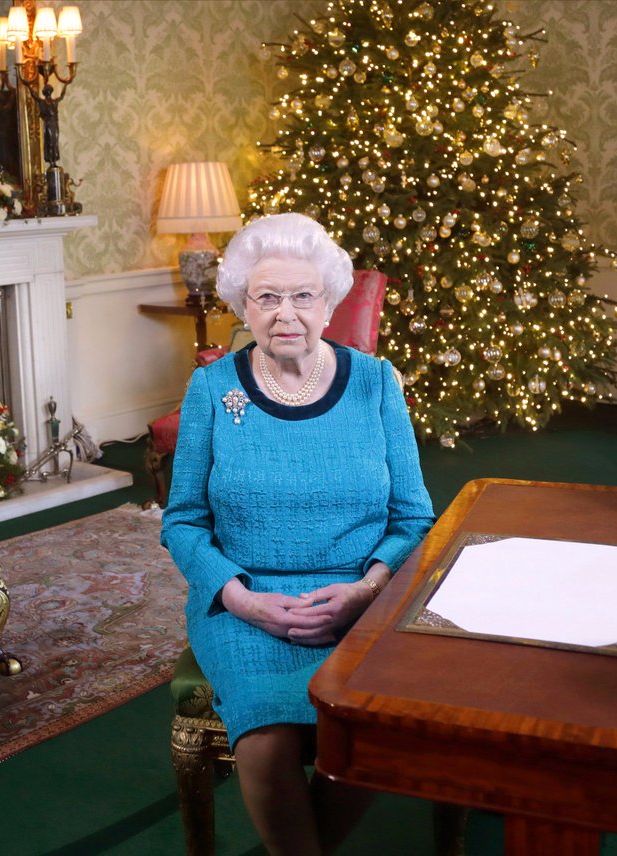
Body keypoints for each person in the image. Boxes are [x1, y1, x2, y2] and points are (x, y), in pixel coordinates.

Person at [161, 213, 435, 854]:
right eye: (267, 297)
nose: (286, 314)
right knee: (266, 737)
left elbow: (415, 517)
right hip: (247, 606)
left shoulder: (375, 384)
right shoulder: (212, 388)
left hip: (359, 603)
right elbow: (183, 521)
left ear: (330, 302)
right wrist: (237, 596)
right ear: (243, 304)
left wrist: (365, 592)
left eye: (303, 296)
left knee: (377, 725)